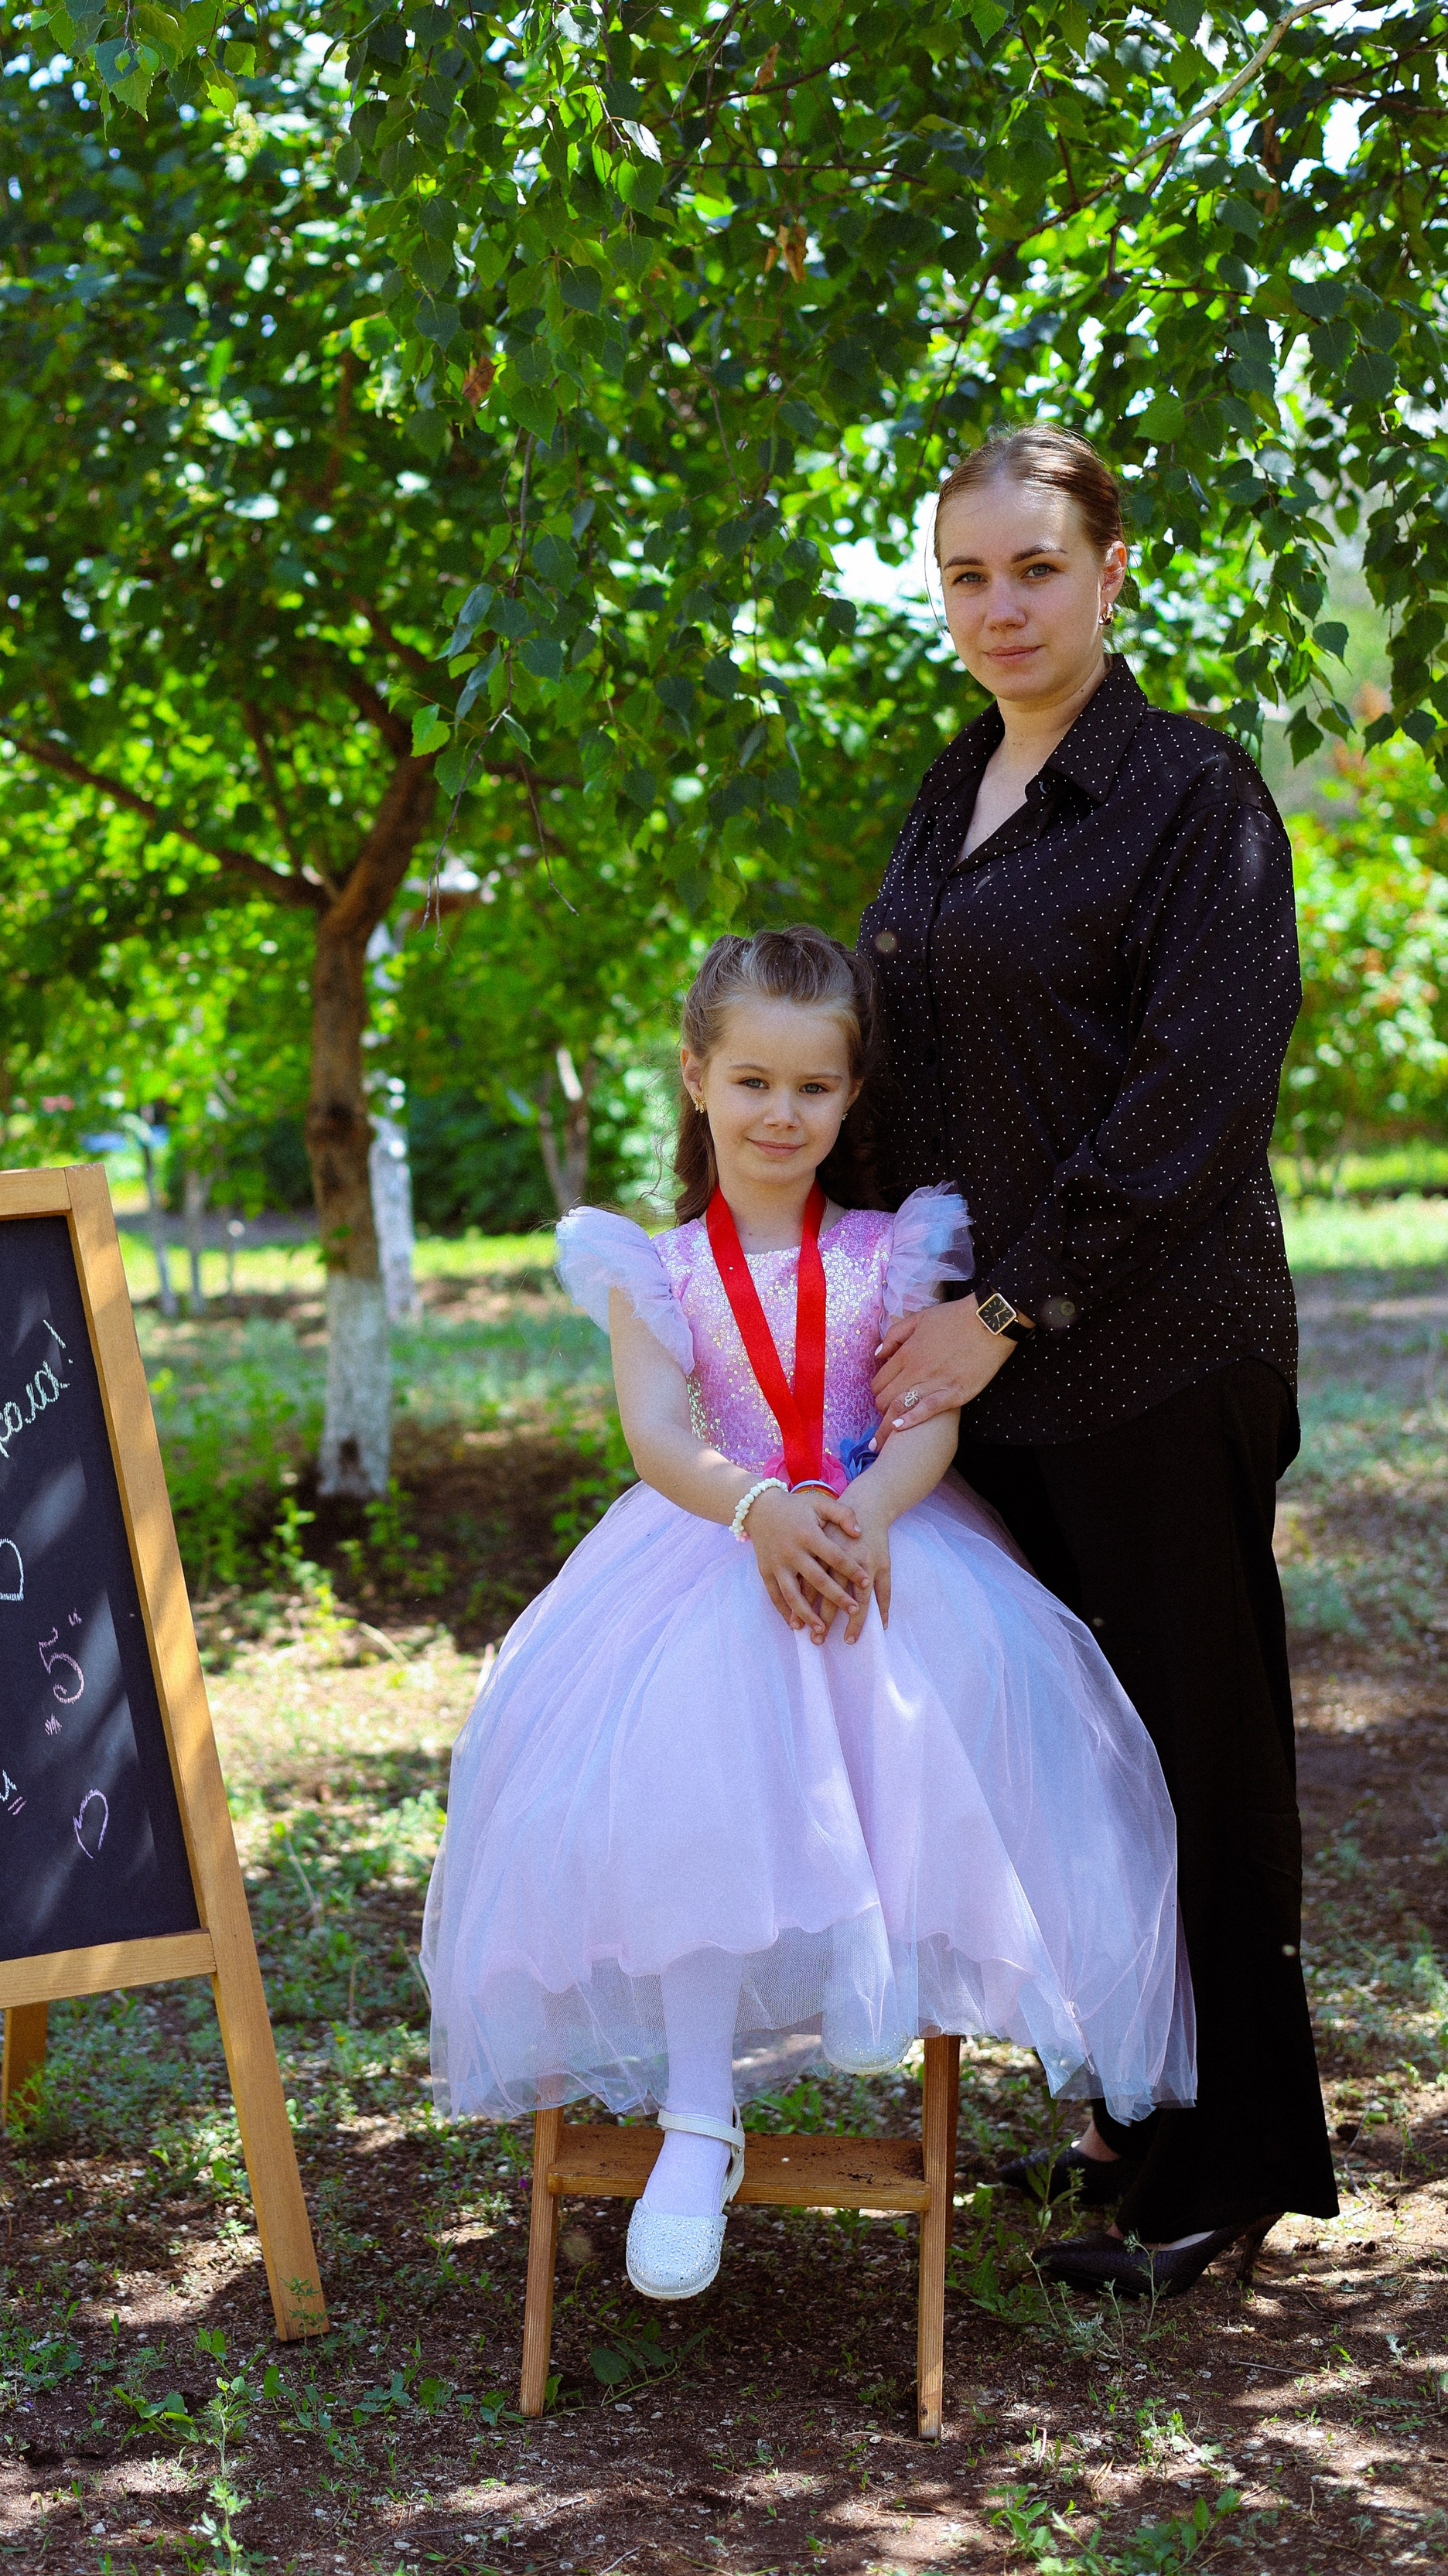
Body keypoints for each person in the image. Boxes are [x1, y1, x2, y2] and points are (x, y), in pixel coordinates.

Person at [422, 928, 1195, 2305]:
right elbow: (660, 1434)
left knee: (921, 1754)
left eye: (814, 1088)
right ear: (697, 1078)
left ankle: (874, 1997)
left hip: (876, 1544)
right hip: (716, 1546)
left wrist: (874, 1507)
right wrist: (757, 1510)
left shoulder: (897, 1249)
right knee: (692, 1789)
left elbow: (927, 1415)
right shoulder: (656, 1267)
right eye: (753, 1081)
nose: (782, 1114)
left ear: (850, 1095)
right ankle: (698, 2117)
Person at [859, 424, 1337, 2294]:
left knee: (1191, 1756)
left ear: (1109, 568)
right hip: (985, 1379)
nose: (999, 607)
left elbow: (1192, 1097)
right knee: (1064, 1768)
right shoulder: (947, 790)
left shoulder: (1188, 794)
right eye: (965, 575)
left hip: (1147, 1355)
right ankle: (1124, 2113)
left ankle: (1235, 2157)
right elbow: (902, 1070)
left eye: (1034, 568)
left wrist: (1003, 1307)